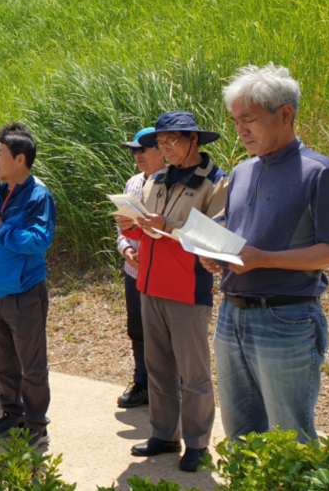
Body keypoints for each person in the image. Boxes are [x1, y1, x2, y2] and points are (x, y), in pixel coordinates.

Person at [200, 64, 329, 443]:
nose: (240, 129)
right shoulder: (241, 172)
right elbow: (239, 234)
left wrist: (263, 259)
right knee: (240, 432)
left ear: (285, 114)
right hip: (231, 314)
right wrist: (215, 254)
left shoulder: (320, 172)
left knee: (291, 437)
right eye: (235, 120)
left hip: (286, 319)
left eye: (249, 119)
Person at [119, 111, 228, 472]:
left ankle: (197, 443)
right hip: (148, 284)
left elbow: (215, 238)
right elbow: (146, 231)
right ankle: (164, 433)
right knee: (158, 366)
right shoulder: (157, 179)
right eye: (160, 144)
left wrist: (170, 225)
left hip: (187, 288)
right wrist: (131, 226)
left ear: (194, 140)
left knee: (193, 373)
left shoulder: (215, 182)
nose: (164, 150)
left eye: (171, 142)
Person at [0, 123, 56, 448]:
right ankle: (12, 414)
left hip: (25, 293)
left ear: (20, 159)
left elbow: (40, 240)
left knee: (32, 366)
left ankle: (37, 425)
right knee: (4, 363)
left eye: (0, 155)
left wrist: (1, 229)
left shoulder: (38, 196)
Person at [114, 127, 167, 409]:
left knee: (164, 333)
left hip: (162, 273)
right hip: (135, 271)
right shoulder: (132, 182)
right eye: (133, 150)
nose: (136, 155)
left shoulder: (173, 183)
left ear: (161, 149)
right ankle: (142, 382)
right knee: (137, 329)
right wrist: (127, 249)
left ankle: (167, 388)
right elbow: (122, 225)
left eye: (141, 149)